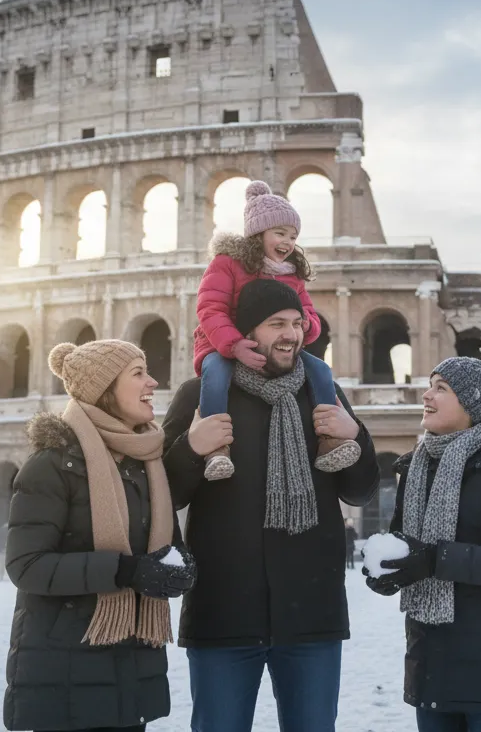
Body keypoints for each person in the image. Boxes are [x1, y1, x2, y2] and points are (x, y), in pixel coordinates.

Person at [162, 279, 380, 732]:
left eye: (298, 323)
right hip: (223, 613)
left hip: (311, 614)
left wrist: (354, 436)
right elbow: (165, 496)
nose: (292, 334)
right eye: (276, 323)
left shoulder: (324, 393)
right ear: (245, 332)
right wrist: (191, 447)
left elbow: (360, 491)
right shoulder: (200, 395)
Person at [3, 340, 196, 732]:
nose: (153, 382)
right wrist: (126, 571)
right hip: (64, 668)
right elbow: (26, 566)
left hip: (132, 665)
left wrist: (179, 567)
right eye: (138, 373)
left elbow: (164, 547)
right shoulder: (53, 464)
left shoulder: (148, 463)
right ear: (104, 388)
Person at [363, 358, 481, 732]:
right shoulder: (416, 467)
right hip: (430, 658)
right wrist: (391, 569)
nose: (426, 395)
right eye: (430, 385)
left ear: (472, 401)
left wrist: (434, 559)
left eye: (441, 388)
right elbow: (407, 546)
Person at [192, 180, 359, 480]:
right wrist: (233, 345)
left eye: (293, 236)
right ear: (258, 233)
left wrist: (306, 325)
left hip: (273, 353)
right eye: (280, 233)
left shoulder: (292, 274)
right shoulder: (227, 263)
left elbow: (309, 312)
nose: (288, 242)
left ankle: (329, 439)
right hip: (221, 344)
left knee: (321, 370)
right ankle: (216, 448)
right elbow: (210, 309)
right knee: (215, 374)